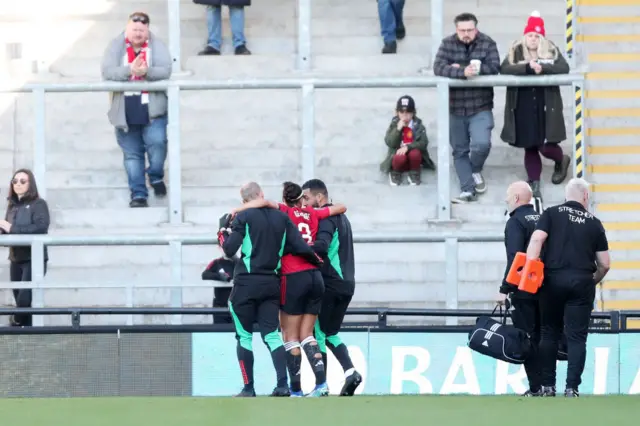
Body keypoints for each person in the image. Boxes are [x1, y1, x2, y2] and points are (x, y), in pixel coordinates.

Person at [232, 182, 348, 397]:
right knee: (308, 335)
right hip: (315, 276)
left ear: (284, 199)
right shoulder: (312, 213)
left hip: (292, 277)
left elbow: (264, 203)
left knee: (290, 336)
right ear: (302, 198)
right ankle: (322, 384)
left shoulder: (284, 212)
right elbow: (341, 207)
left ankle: (294, 388)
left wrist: (239, 209)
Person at [218, 182, 323, 397]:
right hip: (271, 284)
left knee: (244, 337)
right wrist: (316, 259)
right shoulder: (282, 218)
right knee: (273, 336)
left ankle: (249, 388)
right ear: (261, 194)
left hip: (246, 284)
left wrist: (221, 231)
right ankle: (282, 385)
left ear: (244, 201)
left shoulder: (243, 218)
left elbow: (229, 250)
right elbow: (300, 246)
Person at [525, 178, 611, 397]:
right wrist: (592, 281)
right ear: (585, 197)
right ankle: (572, 388)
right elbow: (605, 264)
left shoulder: (551, 213)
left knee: (549, 332)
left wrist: (531, 270)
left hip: (552, 279)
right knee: (577, 337)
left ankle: (547, 386)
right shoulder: (595, 222)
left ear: (566, 196)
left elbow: (536, 239)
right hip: (582, 280)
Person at [101, 11, 172, 208]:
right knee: (132, 155)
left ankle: (156, 175)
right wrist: (129, 70)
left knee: (158, 144)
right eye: (134, 29)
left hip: (153, 108)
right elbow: (107, 71)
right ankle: (138, 194)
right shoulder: (116, 46)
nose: (138, 34)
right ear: (127, 28)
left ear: (148, 30)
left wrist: (146, 71)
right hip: (125, 110)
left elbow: (166, 70)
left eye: (142, 30)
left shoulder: (157, 45)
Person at [500, 11, 571, 201]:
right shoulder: (515, 50)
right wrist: (527, 68)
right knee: (530, 146)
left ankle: (561, 159)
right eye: (530, 35)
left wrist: (543, 67)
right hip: (522, 103)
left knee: (546, 146)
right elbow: (504, 68)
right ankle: (534, 182)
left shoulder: (551, 50)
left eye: (537, 36)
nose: (533, 39)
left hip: (546, 104)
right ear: (525, 36)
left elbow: (564, 68)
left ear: (542, 37)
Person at [301, 179, 362, 396]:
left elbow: (322, 247)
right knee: (331, 332)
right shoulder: (343, 218)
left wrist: (298, 246)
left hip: (330, 283)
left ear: (320, 197)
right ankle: (351, 372)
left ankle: (321, 386)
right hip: (347, 284)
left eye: (306, 198)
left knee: (318, 332)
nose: (304, 204)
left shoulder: (327, 217)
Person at [433, 12, 501, 203]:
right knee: (459, 150)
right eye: (462, 30)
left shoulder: (487, 42)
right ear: (456, 29)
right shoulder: (447, 44)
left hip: (480, 105)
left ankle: (475, 169)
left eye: (470, 30)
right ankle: (467, 190)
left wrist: (472, 70)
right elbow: (438, 67)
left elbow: (495, 66)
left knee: (482, 144)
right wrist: (462, 71)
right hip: (455, 107)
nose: (466, 34)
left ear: (476, 29)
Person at [497, 181, 542, 396]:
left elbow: (516, 258)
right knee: (545, 336)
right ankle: (549, 385)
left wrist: (505, 288)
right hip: (545, 288)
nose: (506, 200)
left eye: (508, 196)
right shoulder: (543, 219)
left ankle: (536, 387)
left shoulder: (515, 222)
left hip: (524, 290)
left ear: (516, 198)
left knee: (528, 337)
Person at [0, 169, 50, 327]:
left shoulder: (38, 204)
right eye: (15, 181)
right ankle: (26, 333)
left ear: (30, 184)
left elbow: (41, 227)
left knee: (24, 299)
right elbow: (9, 231)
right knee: (20, 300)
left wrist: (11, 228)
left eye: (23, 181)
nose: (18, 184)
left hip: (32, 258)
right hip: (16, 258)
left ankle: (16, 323)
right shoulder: (12, 205)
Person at [380, 95, 435, 186]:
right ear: (397, 112)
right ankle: (395, 173)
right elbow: (389, 142)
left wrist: (408, 147)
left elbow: (423, 143)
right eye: (401, 111)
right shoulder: (394, 125)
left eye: (408, 111)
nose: (405, 114)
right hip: (399, 158)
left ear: (413, 112)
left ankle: (414, 173)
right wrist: (398, 129)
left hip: (413, 159)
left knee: (415, 153)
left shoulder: (418, 126)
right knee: (399, 156)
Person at [201, 253, 238, 324]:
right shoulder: (217, 262)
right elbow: (204, 275)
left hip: (237, 308)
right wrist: (219, 276)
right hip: (220, 307)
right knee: (220, 332)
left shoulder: (241, 263)